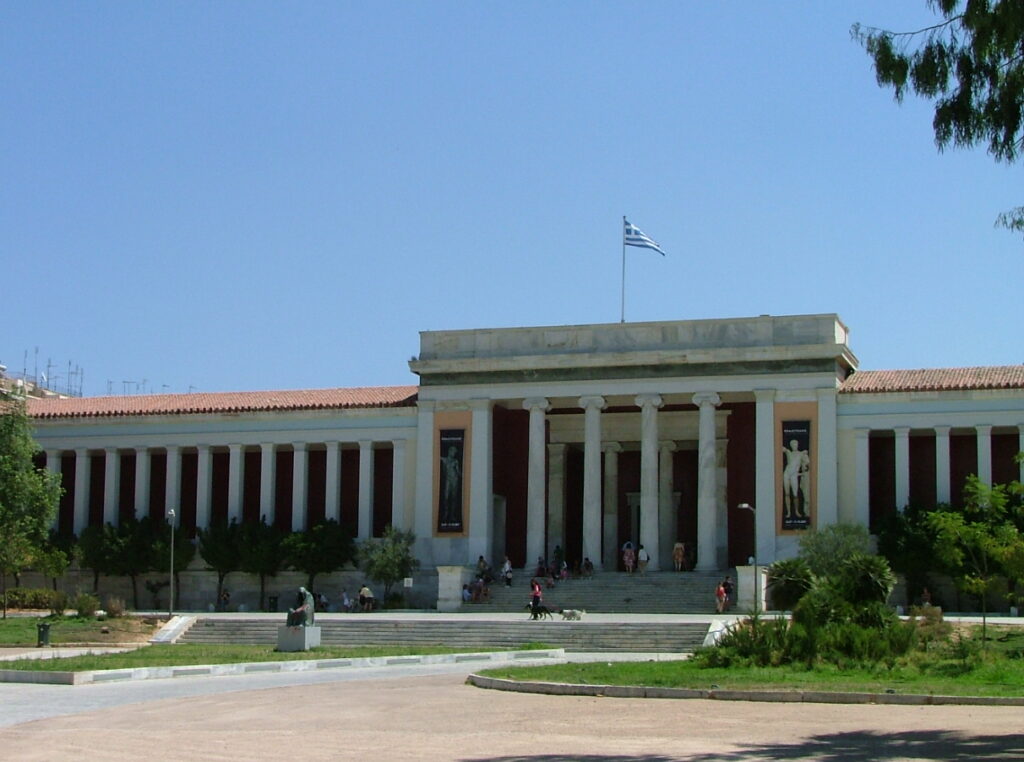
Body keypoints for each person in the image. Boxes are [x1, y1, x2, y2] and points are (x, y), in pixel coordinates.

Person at [783, 438, 811, 518]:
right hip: (786, 474)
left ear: (798, 445)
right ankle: (788, 512)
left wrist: (803, 473)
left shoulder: (801, 453)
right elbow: (782, 449)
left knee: (795, 494)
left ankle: (796, 511)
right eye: (792, 444)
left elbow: (807, 464)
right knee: (787, 494)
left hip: (794, 475)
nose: (794, 445)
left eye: (795, 444)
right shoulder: (789, 452)